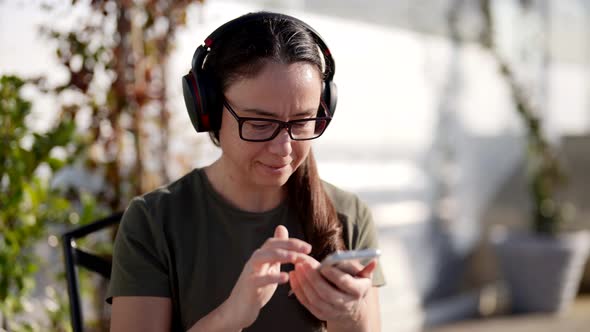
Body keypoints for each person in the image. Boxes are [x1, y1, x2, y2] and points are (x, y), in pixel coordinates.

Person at [107, 11, 385, 332]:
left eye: (302, 121)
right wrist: (230, 317)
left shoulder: (348, 216)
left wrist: (348, 316)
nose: (283, 148)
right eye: (258, 123)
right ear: (208, 111)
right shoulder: (155, 221)